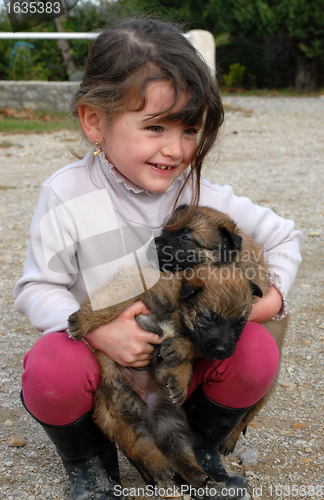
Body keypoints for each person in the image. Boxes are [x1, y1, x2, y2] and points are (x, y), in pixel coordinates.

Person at [14, 17, 302, 500]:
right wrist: (102, 329)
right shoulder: (66, 194)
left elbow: (285, 237)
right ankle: (89, 461)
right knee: (50, 367)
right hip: (109, 369)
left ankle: (201, 444)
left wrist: (265, 305)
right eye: (154, 127)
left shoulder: (198, 192)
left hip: (178, 367)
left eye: (190, 129)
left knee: (255, 351)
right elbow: (36, 288)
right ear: (94, 121)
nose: (175, 148)